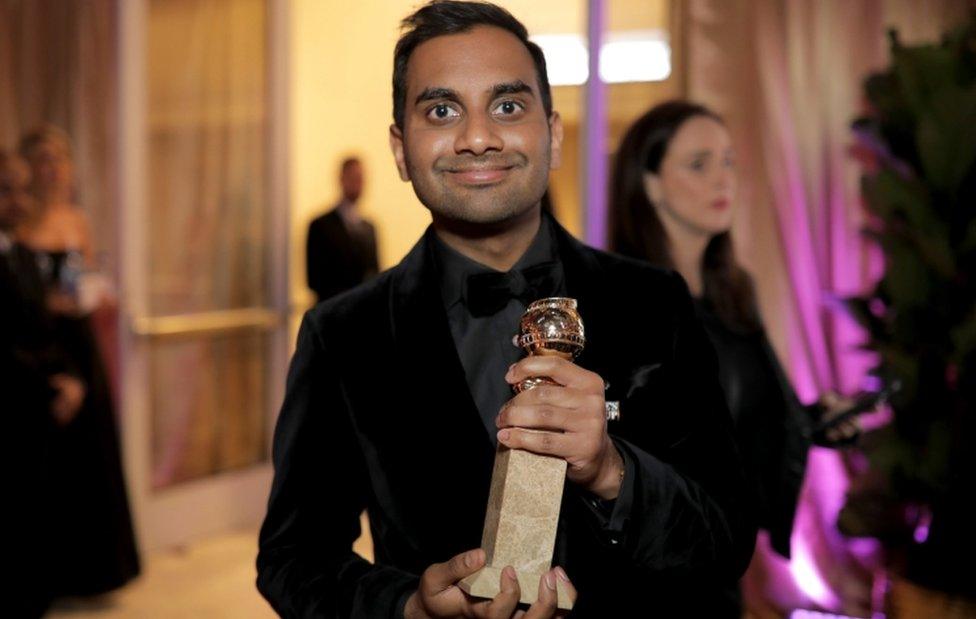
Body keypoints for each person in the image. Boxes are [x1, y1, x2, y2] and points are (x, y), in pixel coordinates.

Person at [257, 3, 754, 617]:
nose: (477, 137)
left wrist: (611, 471)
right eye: (442, 110)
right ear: (401, 150)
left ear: (554, 134)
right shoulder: (343, 334)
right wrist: (408, 607)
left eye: (508, 106)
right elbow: (293, 556)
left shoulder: (655, 302)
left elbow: (728, 540)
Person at [608, 100, 859, 613]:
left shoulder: (735, 295)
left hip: (722, 561)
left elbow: (734, 428)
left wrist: (813, 422)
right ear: (650, 183)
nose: (724, 180)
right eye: (700, 164)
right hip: (651, 575)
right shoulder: (628, 302)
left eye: (728, 162)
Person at [17, 125, 140, 597]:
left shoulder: (76, 219)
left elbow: (87, 276)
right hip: (40, 342)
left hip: (80, 342)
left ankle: (94, 573)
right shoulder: (20, 222)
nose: (52, 168)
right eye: (43, 159)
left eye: (58, 159)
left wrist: (97, 292)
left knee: (90, 456)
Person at [0, 149, 86, 617]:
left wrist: (68, 378)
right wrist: (49, 387)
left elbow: (43, 327)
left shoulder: (22, 253)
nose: (16, 200)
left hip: (36, 401)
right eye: (5, 190)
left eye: (20, 189)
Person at [306, 156, 380, 303]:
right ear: (341, 179)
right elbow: (314, 279)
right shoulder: (320, 226)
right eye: (352, 177)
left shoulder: (369, 228)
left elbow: (375, 274)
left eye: (360, 178)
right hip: (332, 312)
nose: (357, 183)